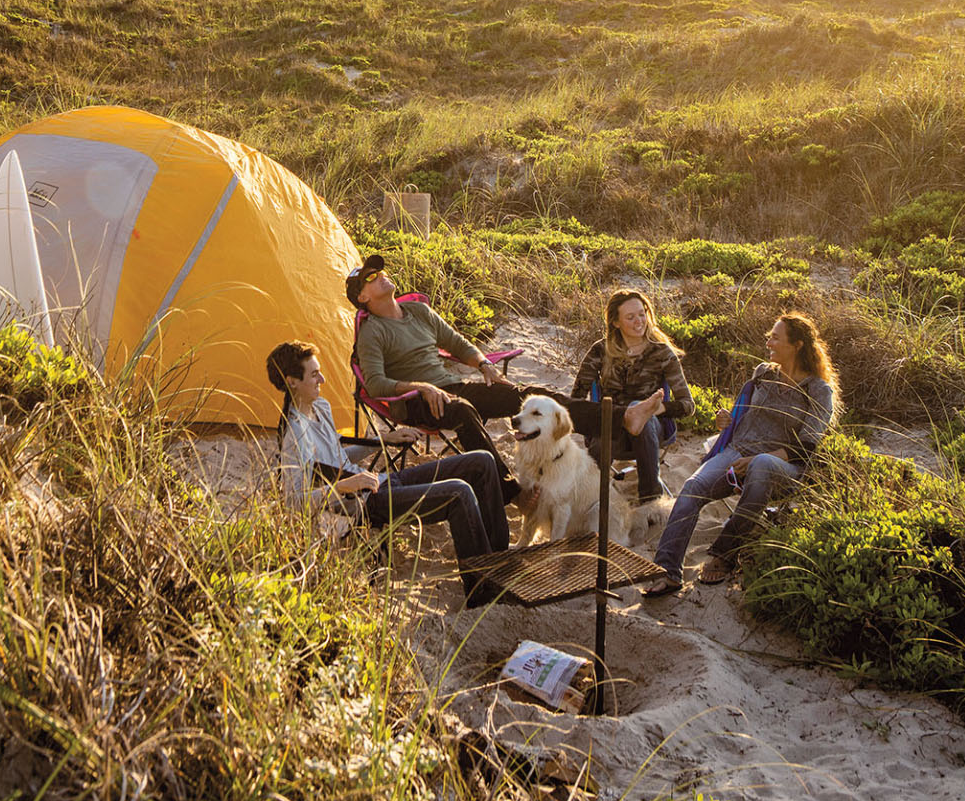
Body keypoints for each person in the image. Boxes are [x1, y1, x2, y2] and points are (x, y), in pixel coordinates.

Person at [348, 255, 664, 497]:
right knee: (463, 410)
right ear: (362, 297)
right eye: (371, 278)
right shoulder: (373, 332)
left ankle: (622, 419)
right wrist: (420, 386)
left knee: (532, 396)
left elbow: (456, 343)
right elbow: (374, 384)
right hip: (414, 403)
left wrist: (484, 364)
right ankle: (512, 493)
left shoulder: (418, 312)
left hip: (452, 388)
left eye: (380, 272)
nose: (381, 277)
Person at [265, 340, 510, 608]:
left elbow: (339, 456)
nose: (322, 378)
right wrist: (346, 485)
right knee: (458, 493)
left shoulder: (319, 407)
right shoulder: (294, 435)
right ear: (292, 382)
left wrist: (386, 439)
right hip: (364, 502)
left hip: (378, 482)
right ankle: (482, 592)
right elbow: (294, 501)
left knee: (482, 462)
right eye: (314, 374)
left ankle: (497, 563)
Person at [642, 311, 838, 596]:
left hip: (784, 466)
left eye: (775, 337)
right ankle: (668, 571)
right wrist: (727, 421)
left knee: (761, 464)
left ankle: (725, 553)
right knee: (692, 489)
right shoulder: (762, 374)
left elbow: (808, 446)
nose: (768, 342)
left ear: (797, 345)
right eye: (769, 336)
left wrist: (760, 458)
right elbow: (744, 417)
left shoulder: (818, 390)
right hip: (736, 452)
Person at [572, 289, 695, 504]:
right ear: (616, 323)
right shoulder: (601, 351)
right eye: (630, 317)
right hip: (610, 427)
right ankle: (589, 497)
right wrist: (596, 418)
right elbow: (576, 399)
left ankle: (650, 497)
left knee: (642, 410)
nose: (639, 321)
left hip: (651, 429)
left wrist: (659, 408)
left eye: (642, 313)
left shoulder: (662, 353)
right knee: (608, 428)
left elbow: (688, 405)